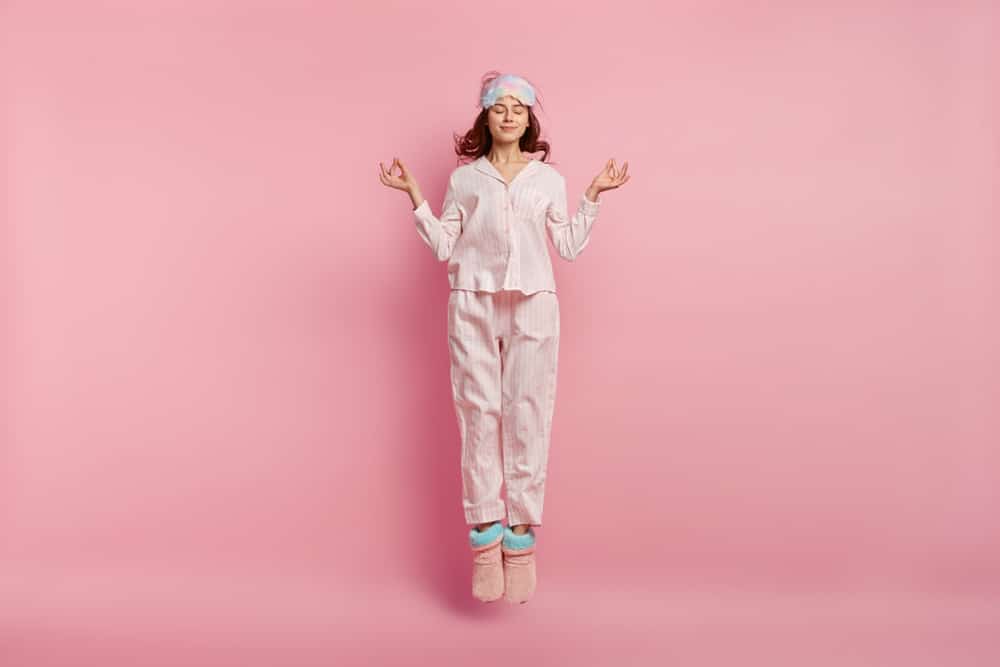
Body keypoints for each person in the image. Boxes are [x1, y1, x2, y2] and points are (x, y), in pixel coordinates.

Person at [378, 71, 630, 603]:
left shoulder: (548, 181)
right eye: (499, 107)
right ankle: (486, 536)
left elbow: (567, 245)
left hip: (535, 302)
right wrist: (415, 196)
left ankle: (520, 540)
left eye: (518, 107)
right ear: (486, 118)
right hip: (473, 299)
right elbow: (446, 245)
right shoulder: (466, 180)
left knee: (529, 410)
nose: (509, 115)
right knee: (478, 412)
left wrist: (591, 195)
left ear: (529, 118)